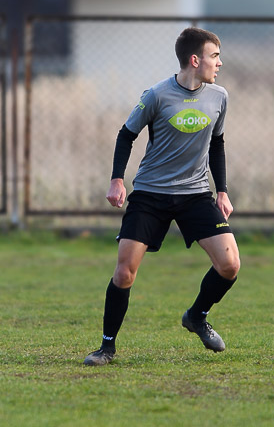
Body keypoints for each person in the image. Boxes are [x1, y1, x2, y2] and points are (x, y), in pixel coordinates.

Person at [84, 27, 240, 366]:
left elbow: (217, 144)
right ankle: (106, 348)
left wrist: (222, 191)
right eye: (214, 56)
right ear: (195, 60)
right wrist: (117, 180)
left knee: (229, 265)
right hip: (151, 194)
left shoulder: (219, 97)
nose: (219, 63)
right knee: (124, 272)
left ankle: (196, 316)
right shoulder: (156, 95)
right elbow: (126, 135)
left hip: (195, 193)